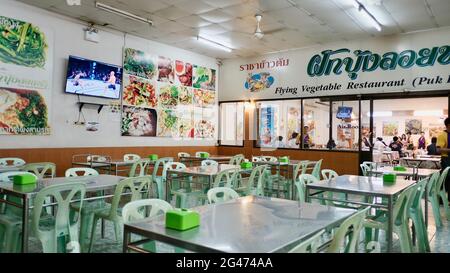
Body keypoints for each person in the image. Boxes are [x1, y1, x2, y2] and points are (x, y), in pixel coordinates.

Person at [437, 117, 450, 202]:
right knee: (446, 178)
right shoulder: (442, 135)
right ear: (448, 125)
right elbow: (438, 149)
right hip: (446, 159)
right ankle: (441, 199)